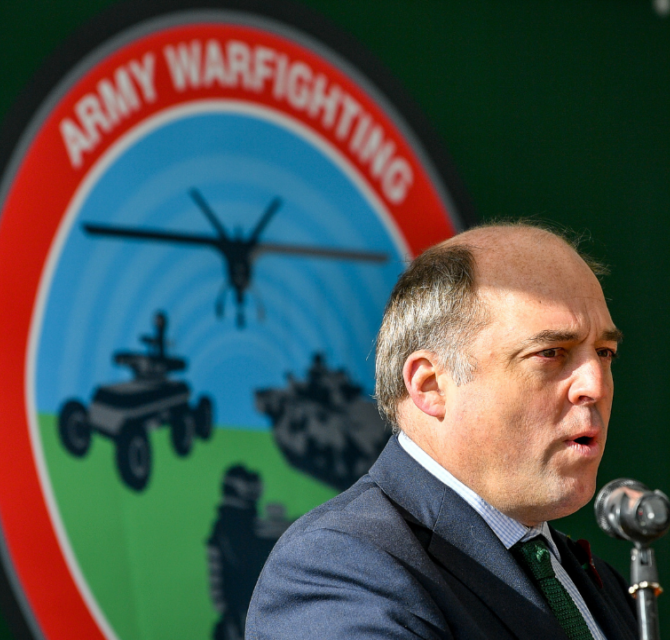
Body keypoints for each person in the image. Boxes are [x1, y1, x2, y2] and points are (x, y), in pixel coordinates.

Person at [245, 223, 638, 640]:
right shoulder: (336, 570)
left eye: (604, 352)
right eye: (550, 353)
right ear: (430, 385)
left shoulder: (596, 583)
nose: (595, 385)